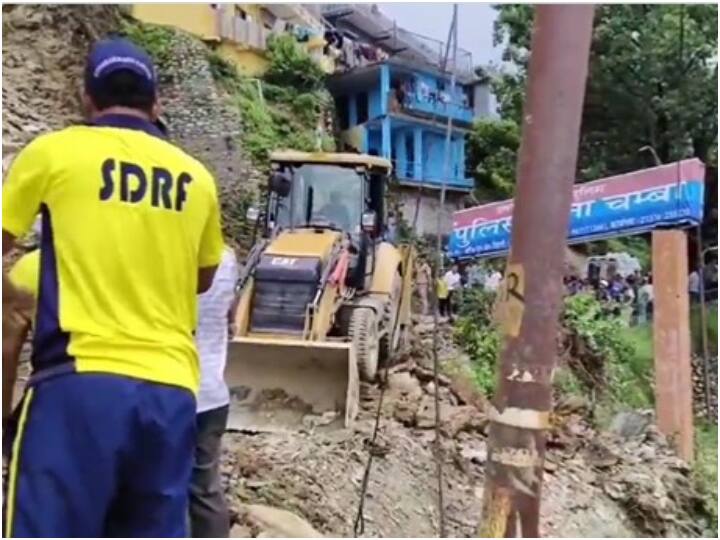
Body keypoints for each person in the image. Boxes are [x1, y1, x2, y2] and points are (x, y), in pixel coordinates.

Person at [1, 38, 224, 537]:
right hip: (170, 395)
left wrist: (11, 293)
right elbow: (203, 278)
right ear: (157, 103)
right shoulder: (197, 179)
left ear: (86, 98)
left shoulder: (55, 153)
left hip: (78, 383)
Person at [191, 247, 239, 538]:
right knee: (205, 490)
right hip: (213, 396)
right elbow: (230, 314)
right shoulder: (228, 258)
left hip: (173, 392)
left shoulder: (168, 254)